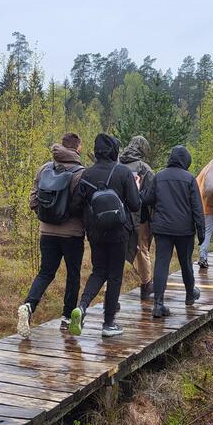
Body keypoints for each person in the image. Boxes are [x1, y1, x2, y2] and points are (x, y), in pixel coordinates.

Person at [69, 134, 140, 338]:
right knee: (115, 276)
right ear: (114, 151)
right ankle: (108, 324)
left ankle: (82, 308)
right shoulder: (123, 172)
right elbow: (135, 204)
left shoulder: (87, 174)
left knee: (98, 271)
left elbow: (75, 205)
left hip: (96, 232)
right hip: (119, 232)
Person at [17, 133, 86, 337]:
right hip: (72, 234)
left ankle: (28, 307)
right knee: (73, 275)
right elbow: (83, 206)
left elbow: (33, 201)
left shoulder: (44, 169)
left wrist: (48, 217)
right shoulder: (80, 173)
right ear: (78, 149)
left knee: (45, 273)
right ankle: (66, 319)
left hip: (46, 232)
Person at [141, 146, 205, 317]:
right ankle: (190, 295)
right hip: (184, 230)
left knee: (161, 263)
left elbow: (147, 199)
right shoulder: (190, 179)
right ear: (185, 161)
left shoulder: (159, 176)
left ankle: (158, 304)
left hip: (162, 228)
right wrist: (201, 231)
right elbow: (197, 207)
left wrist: (139, 188)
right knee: (186, 263)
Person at [119, 135, 155, 300]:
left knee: (115, 253)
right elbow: (152, 194)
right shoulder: (144, 168)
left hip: (118, 216)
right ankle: (146, 285)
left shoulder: (117, 165)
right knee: (142, 250)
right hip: (139, 217)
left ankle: (110, 292)